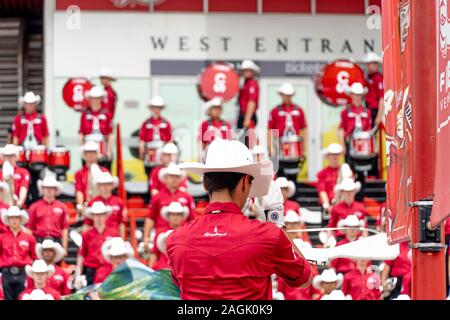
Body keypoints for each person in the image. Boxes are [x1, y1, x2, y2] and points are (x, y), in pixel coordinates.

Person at [167, 139, 312, 299]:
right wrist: (276, 222)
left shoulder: (176, 239)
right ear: (244, 182)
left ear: (205, 184)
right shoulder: (268, 235)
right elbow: (303, 277)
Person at [143, 163, 195, 247]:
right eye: (171, 176)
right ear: (166, 178)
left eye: (176, 176)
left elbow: (192, 219)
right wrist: (146, 237)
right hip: (161, 237)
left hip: (182, 236)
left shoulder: (187, 197)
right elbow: (151, 218)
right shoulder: (157, 197)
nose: (174, 179)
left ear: (180, 179)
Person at [268, 83, 308, 180]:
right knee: (280, 176)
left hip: (295, 147)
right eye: (285, 95)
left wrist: (304, 148)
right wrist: (271, 147)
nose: (287, 97)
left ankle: (293, 193)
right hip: (280, 146)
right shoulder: (275, 111)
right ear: (281, 95)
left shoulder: (299, 110)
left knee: (294, 176)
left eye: (289, 95)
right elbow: (270, 130)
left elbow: (304, 130)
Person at [75, 201, 119, 287]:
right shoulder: (86, 235)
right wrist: (78, 275)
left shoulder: (113, 233)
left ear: (105, 216)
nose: (99, 217)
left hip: (108, 268)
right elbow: (81, 255)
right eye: (96, 215)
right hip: (92, 269)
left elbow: (118, 254)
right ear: (92, 216)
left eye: (101, 214)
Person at [0, 206, 37, 300]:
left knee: (23, 297)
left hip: (23, 272)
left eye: (16, 218)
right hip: (6, 271)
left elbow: (34, 256)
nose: (14, 220)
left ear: (20, 219)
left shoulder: (29, 238)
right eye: (12, 218)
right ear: (8, 220)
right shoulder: (1, 238)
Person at [27, 176, 69, 253]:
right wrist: (31, 247)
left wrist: (64, 248)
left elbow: (64, 229)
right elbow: (30, 229)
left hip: (56, 240)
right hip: (39, 240)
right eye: (46, 188)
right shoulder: (34, 207)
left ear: (55, 190)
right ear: (42, 189)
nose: (49, 190)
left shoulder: (62, 207)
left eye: (51, 188)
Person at [79, 86, 114, 170]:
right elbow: (81, 133)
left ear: (101, 99)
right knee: (88, 173)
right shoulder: (85, 114)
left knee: (104, 172)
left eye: (97, 98)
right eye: (93, 98)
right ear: (90, 99)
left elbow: (110, 134)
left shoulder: (107, 114)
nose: (95, 101)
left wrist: (109, 149)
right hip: (88, 146)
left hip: (103, 147)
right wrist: (81, 148)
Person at [83, 171, 126, 238]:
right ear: (99, 186)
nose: (105, 187)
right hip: (97, 238)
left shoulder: (119, 202)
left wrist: (122, 240)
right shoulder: (92, 203)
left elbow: (121, 223)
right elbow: (87, 224)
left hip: (114, 238)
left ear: (112, 185)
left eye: (108, 184)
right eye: (103, 184)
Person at [139, 96, 172, 179]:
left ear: (161, 109)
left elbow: (169, 140)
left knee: (163, 174)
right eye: (154, 107)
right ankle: (151, 190)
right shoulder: (145, 123)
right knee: (150, 174)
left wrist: (170, 154)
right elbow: (142, 140)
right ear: (151, 108)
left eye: (158, 107)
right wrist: (141, 152)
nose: (156, 110)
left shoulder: (166, 123)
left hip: (163, 150)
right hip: (150, 151)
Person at [338, 82, 372, 161]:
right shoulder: (345, 112)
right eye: (355, 94)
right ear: (351, 95)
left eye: (359, 95)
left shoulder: (367, 112)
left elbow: (369, 129)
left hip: (364, 145)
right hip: (350, 144)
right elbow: (341, 129)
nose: (357, 97)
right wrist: (342, 145)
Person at [149, 201, 188, 270]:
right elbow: (154, 253)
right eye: (173, 214)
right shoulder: (160, 232)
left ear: (182, 216)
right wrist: (150, 270)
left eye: (178, 214)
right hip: (163, 268)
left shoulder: (187, 232)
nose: (175, 217)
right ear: (168, 216)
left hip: (181, 268)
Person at [74, 141, 109, 217]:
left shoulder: (104, 171)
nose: (91, 155)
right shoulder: (79, 173)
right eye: (88, 152)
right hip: (87, 205)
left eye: (93, 152)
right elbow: (79, 190)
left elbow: (107, 190)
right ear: (85, 155)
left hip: (102, 205)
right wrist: (80, 205)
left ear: (97, 154)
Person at [237, 60, 260, 147]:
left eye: (248, 70)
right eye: (244, 70)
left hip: (247, 116)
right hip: (243, 116)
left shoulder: (252, 84)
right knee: (243, 141)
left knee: (250, 141)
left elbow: (251, 101)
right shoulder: (245, 84)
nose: (245, 72)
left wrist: (247, 118)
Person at [316, 143, 344, 215]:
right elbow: (322, 190)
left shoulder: (344, 170)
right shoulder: (322, 173)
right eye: (332, 154)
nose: (335, 157)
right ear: (328, 156)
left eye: (337, 154)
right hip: (328, 205)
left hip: (342, 205)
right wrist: (327, 205)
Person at [363, 52, 384, 127]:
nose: (368, 66)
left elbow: (382, 98)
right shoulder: (368, 77)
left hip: (375, 110)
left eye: (370, 64)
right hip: (367, 109)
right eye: (368, 64)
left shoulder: (378, 78)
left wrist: (379, 116)